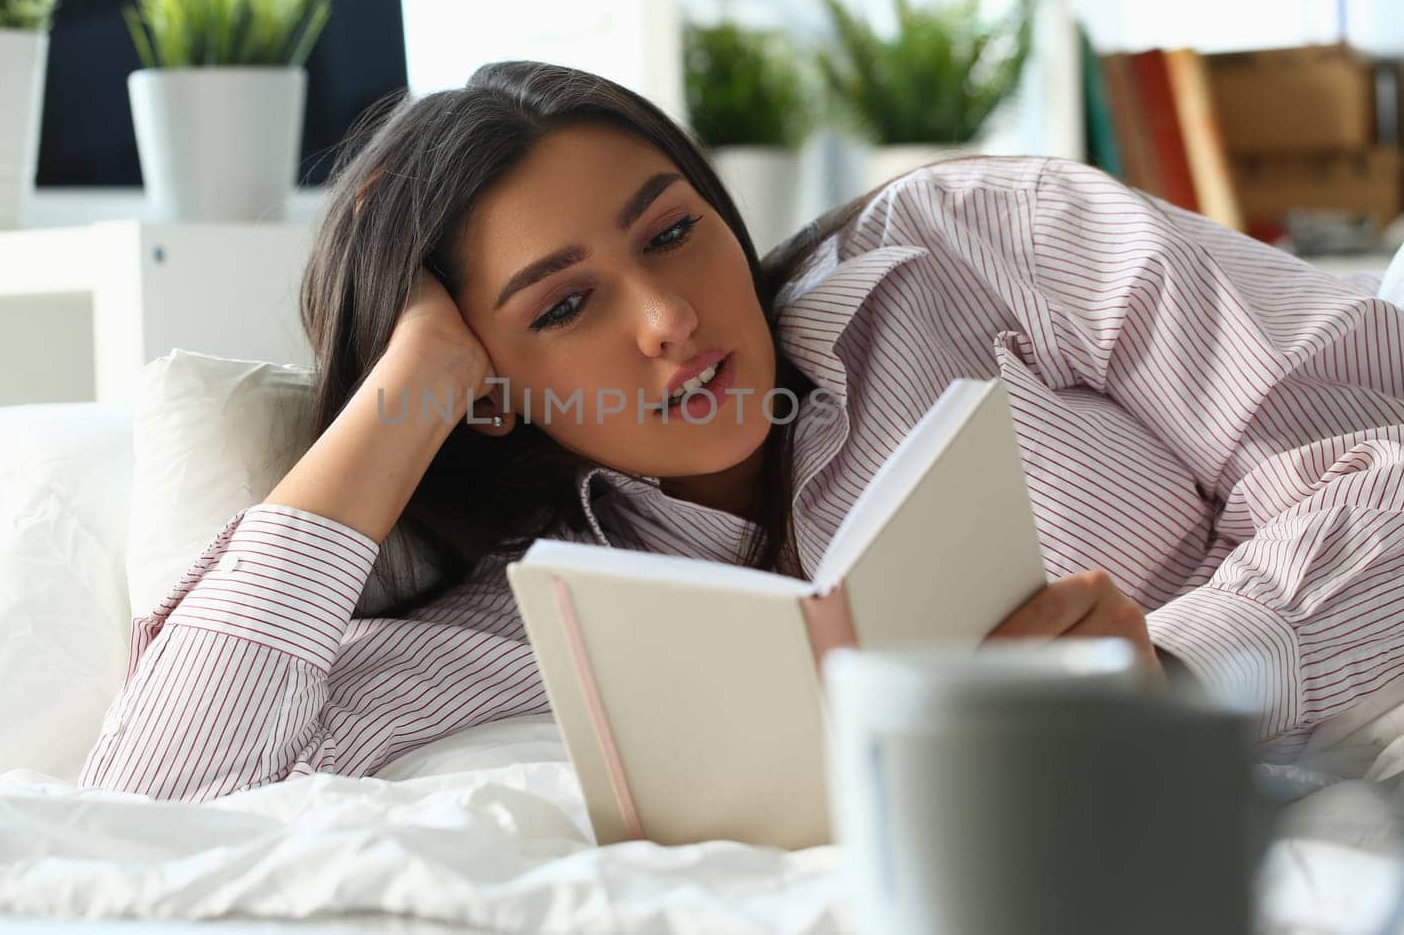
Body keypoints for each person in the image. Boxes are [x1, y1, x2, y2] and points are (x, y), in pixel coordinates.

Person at [79, 60, 1404, 804]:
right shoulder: (532, 615)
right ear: (488, 381)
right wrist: (400, 400)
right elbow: (156, 801)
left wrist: (1186, 669)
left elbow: (1375, 440)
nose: (667, 316)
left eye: (673, 232)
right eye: (566, 305)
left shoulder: (972, 251)